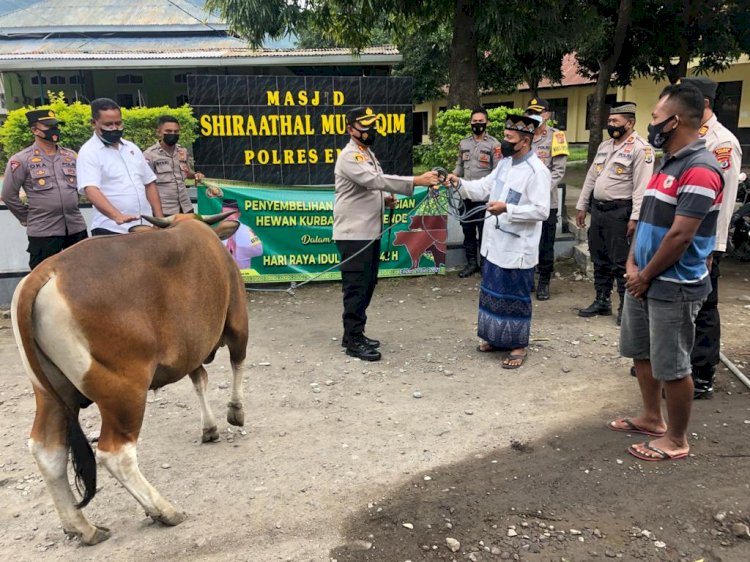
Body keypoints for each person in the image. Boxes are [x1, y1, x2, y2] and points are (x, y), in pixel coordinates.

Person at [612, 83, 723, 462]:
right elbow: (646, 220)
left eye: (657, 118)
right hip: (643, 277)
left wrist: (645, 275)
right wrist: (631, 263)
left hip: (673, 284)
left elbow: (681, 235)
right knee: (641, 352)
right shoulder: (668, 163)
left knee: (673, 365)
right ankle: (650, 418)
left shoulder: (703, 169)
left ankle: (676, 439)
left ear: (676, 121)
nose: (652, 125)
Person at [334, 106, 438, 361]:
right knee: (357, 287)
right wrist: (416, 181)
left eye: (372, 126)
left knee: (367, 284)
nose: (371, 131)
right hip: (354, 234)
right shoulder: (350, 156)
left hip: (367, 232)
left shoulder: (365, 153)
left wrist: (384, 201)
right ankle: (353, 340)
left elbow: (368, 188)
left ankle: (354, 333)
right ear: (351, 129)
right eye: (365, 126)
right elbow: (375, 181)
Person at [446, 114, 551, 369]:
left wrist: (508, 209)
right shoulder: (504, 164)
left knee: (514, 297)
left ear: (524, 142)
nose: (503, 141)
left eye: (509, 138)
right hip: (494, 245)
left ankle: (517, 345)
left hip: (517, 248)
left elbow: (541, 211)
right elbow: (483, 187)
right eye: (504, 136)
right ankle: (495, 338)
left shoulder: (537, 171)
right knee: (493, 293)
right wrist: (459, 183)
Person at [680, 76, 743, 399]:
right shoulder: (685, 136)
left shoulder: (721, 142)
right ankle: (677, 365)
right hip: (679, 236)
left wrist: (714, 247)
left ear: (704, 103)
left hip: (704, 241)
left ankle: (702, 374)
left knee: (704, 306)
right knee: (677, 302)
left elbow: (726, 200)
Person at [575, 102, 654, 324]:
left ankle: (625, 308)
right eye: (609, 121)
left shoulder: (641, 149)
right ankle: (602, 301)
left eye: (615, 122)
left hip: (621, 212)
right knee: (599, 257)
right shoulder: (605, 146)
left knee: (621, 262)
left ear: (630, 123)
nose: (611, 125)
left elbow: (641, 188)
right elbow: (592, 176)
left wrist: (635, 218)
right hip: (598, 211)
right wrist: (582, 205)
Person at [2, 109, 88, 269]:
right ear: (35, 130)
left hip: (76, 227)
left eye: (56, 126)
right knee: (43, 279)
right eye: (49, 127)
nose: (54, 131)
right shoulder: (21, 159)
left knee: (81, 274)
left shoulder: (71, 156)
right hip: (44, 231)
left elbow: (80, 187)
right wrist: (27, 218)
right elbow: (8, 195)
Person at [76, 98, 164, 235]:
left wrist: (159, 218)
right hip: (112, 229)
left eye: (118, 123)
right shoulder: (89, 152)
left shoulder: (131, 148)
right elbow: (91, 189)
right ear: (94, 123)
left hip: (145, 228)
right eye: (108, 124)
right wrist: (117, 216)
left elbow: (149, 183)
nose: (114, 128)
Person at [524, 98, 568, 300]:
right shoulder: (525, 136)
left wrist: (540, 190)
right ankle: (528, 279)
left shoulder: (557, 137)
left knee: (545, 244)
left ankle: (544, 282)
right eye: (531, 112)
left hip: (546, 201)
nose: (534, 116)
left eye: (538, 112)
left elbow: (558, 171)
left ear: (547, 114)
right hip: (524, 201)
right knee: (526, 241)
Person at [452, 107, 502, 278]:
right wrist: (453, 176)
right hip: (466, 195)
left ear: (487, 123)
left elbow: (498, 171)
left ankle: (486, 265)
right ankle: (471, 264)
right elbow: (459, 165)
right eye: (475, 122)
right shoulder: (464, 143)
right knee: (468, 230)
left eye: (481, 121)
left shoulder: (494, 145)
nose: (478, 124)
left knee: (485, 232)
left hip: (484, 197)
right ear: (470, 123)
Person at [144, 115, 205, 215]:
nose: (172, 134)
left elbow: (187, 172)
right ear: (159, 132)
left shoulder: (182, 151)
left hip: (186, 207)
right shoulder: (149, 155)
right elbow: (147, 185)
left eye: (176, 132)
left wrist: (196, 175)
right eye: (168, 131)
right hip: (165, 210)